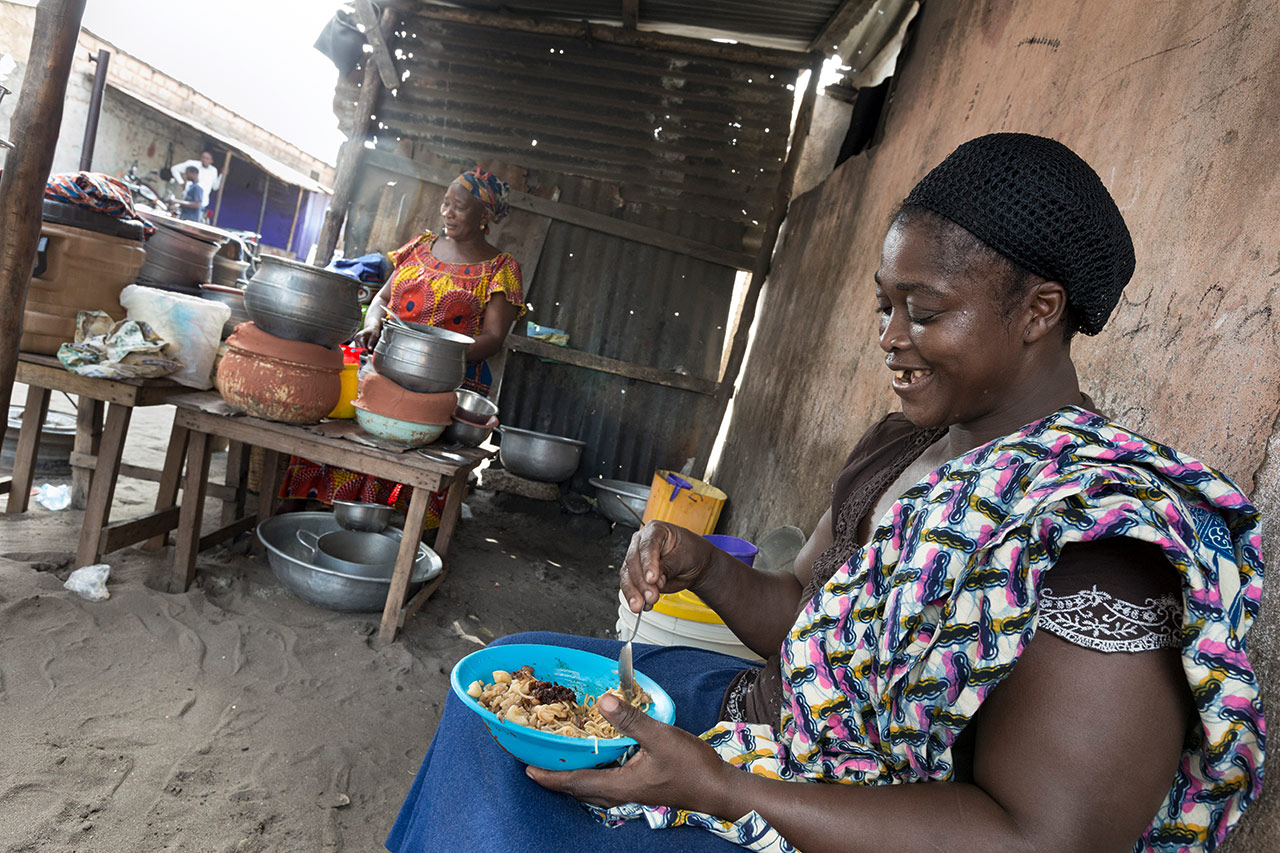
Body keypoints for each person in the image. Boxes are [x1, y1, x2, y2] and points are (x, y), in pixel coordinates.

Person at [385, 134, 1265, 852]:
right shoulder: (906, 444)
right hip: (777, 737)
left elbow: (1046, 837)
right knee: (512, 684)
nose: (890, 337)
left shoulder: (1098, 535)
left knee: (507, 810)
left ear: (1039, 310)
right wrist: (699, 567)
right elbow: (809, 617)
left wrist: (728, 789)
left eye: (923, 311)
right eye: (883, 305)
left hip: (838, 818)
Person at [277, 168, 524, 526]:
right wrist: (374, 323)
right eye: (445, 203)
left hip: (448, 382)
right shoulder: (421, 247)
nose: (447, 212)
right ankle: (321, 505)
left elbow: (494, 338)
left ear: (484, 215)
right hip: (388, 364)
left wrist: (433, 357)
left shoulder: (501, 269)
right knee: (345, 428)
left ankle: (397, 527)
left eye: (459, 206)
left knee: (410, 454)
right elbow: (381, 297)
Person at [170, 150, 221, 216]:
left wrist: (222, 175)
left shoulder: (213, 171)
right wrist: (181, 183)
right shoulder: (192, 164)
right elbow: (174, 169)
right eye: (203, 157)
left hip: (202, 203)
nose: (204, 160)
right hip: (188, 200)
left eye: (207, 159)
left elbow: (215, 187)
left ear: (211, 161)